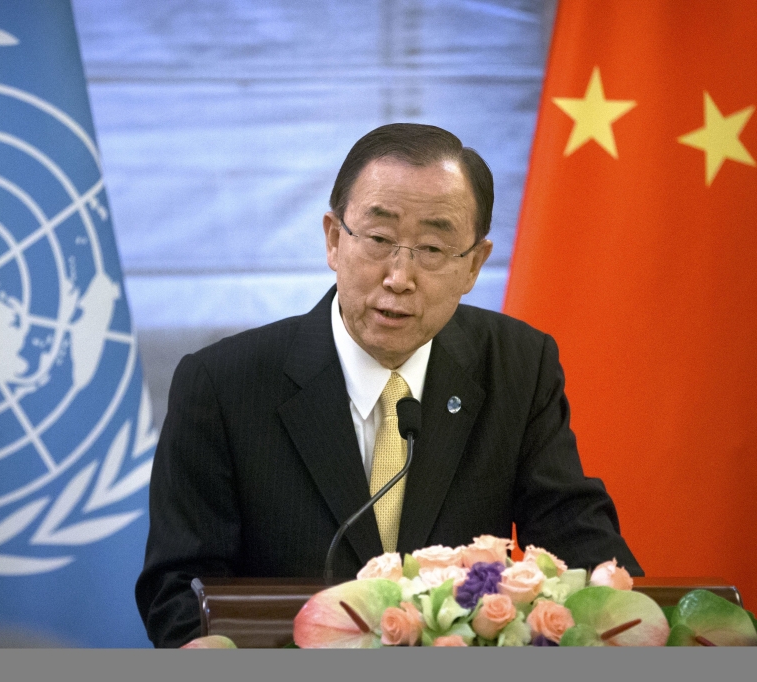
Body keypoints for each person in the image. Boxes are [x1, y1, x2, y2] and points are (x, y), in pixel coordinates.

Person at [135, 123, 641, 648]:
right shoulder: (223, 385)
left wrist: (635, 616)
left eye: (432, 248)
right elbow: (178, 592)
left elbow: (575, 533)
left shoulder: (517, 364)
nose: (400, 276)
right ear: (334, 239)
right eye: (379, 240)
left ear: (473, 266)